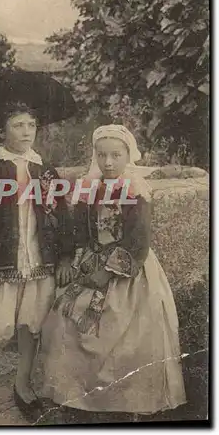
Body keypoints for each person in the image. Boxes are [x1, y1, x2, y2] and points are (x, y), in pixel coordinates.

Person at [41, 124, 186, 423]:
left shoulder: (136, 190)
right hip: (93, 258)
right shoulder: (87, 187)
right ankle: (77, 393)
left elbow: (138, 240)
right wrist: (71, 258)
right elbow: (78, 230)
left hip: (128, 268)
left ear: (127, 156)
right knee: (67, 315)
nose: (108, 162)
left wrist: (108, 273)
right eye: (102, 155)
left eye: (115, 155)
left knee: (131, 330)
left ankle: (131, 400)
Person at [0, 101, 73, 425]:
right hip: (0, 265)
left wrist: (64, 256)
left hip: (38, 262)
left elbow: (61, 216)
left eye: (31, 125)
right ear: (1, 132)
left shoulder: (45, 170)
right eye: (18, 125)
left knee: (30, 326)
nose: (26, 132)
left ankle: (22, 386)